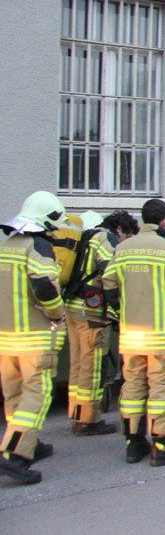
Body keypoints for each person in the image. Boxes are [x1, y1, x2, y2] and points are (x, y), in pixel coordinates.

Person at [102, 199, 165, 466]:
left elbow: (109, 284)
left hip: (131, 335)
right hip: (161, 336)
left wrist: (121, 313)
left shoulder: (123, 247)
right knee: (161, 389)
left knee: (132, 386)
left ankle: (134, 443)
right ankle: (162, 444)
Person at [0, 192, 68, 484]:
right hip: (34, 338)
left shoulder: (8, 245)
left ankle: (29, 442)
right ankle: (14, 456)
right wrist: (56, 312)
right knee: (36, 396)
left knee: (15, 394)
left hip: (6, 337)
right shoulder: (38, 246)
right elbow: (44, 285)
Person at [63, 210, 119, 436]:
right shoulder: (102, 238)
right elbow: (111, 272)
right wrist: (117, 306)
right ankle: (88, 421)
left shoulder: (78, 241)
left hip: (72, 308)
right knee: (92, 366)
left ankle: (76, 413)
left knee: (77, 363)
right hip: (92, 313)